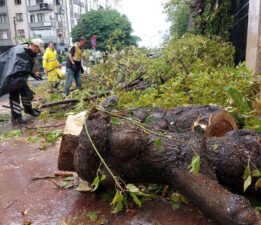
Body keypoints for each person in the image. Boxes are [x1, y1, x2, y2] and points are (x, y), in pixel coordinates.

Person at [0, 38, 45, 124]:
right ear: (34, 46)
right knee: (15, 95)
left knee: (25, 93)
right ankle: (16, 117)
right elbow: (15, 70)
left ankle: (29, 110)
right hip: (11, 77)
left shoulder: (29, 53)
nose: (38, 52)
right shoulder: (19, 52)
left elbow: (26, 68)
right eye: (38, 50)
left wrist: (34, 73)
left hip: (19, 77)